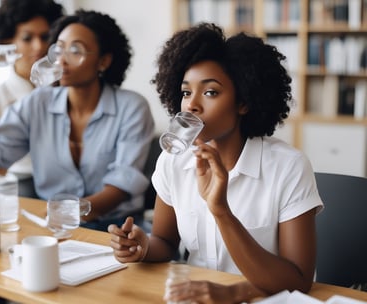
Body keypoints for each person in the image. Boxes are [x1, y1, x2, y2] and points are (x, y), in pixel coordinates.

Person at [108, 23, 324, 304]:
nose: (192, 105)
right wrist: (142, 245)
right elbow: (165, 242)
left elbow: (299, 280)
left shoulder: (288, 167)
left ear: (243, 102)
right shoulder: (174, 159)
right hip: (191, 296)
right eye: (186, 92)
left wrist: (221, 212)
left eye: (210, 92)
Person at [0, 10, 155, 232]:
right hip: (55, 228)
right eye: (58, 49)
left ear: (103, 61)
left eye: (75, 50)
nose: (61, 59)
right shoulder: (38, 103)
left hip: (118, 231)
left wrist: (69, 212)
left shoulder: (132, 107)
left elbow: (121, 187)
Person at [0, 0, 65, 198]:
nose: (39, 46)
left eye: (45, 36)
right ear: (8, 43)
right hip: (18, 182)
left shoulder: (66, 87)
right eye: (27, 38)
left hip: (64, 183)